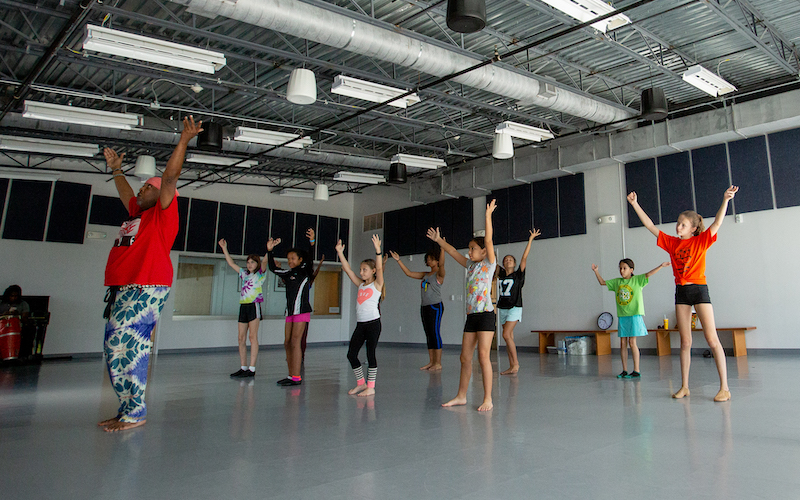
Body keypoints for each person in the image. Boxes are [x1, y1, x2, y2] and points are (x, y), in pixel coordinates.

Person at [98, 116, 202, 432]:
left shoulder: (162, 217)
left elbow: (169, 179)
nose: (141, 190)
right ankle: (127, 408)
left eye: (147, 188)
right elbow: (124, 192)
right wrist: (117, 169)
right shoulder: (137, 214)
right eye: (142, 186)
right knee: (115, 347)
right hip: (126, 287)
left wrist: (183, 141)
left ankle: (135, 412)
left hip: (146, 286)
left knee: (131, 348)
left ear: (160, 197)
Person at [627, 186, 739, 402]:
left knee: (711, 338)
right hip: (681, 292)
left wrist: (725, 200)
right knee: (685, 341)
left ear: (693, 228)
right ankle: (685, 386)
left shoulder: (701, 240)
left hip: (699, 290)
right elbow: (650, 225)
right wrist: (634, 204)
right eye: (678, 223)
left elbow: (717, 223)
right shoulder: (672, 243)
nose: (678, 226)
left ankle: (724, 387)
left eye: (683, 224)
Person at [431, 199, 497, 411]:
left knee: (483, 356)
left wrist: (487, 217)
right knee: (464, 357)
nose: (469, 252)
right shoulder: (469, 265)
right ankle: (461, 395)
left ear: (483, 252)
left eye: (473, 249)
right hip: (471, 316)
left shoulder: (489, 263)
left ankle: (488, 398)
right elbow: (451, 252)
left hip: (486, 315)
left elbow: (488, 240)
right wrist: (439, 241)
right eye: (469, 249)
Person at [592, 259, 669, 378]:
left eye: (624, 268)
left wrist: (661, 266)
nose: (622, 271)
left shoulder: (637, 280)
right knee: (622, 343)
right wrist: (596, 271)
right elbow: (602, 282)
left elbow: (648, 274)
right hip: (623, 316)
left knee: (632, 342)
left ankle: (636, 370)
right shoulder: (617, 282)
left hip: (634, 315)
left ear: (631, 270)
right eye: (620, 268)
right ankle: (624, 370)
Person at [266, 228, 316, 386]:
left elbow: (311, 257)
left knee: (295, 342)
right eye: (288, 259)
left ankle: (296, 377)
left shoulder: (306, 271)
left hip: (302, 312)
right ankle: (290, 375)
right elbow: (273, 268)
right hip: (290, 313)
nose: (290, 261)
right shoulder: (287, 273)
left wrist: (312, 242)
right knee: (287, 342)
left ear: (301, 260)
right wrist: (270, 251)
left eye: (293, 258)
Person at [337, 234, 384, 397]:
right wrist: (340, 253)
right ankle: (361, 383)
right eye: (361, 270)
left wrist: (378, 251)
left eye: (364, 270)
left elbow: (379, 268)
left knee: (370, 353)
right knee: (351, 354)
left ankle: (371, 387)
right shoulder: (360, 284)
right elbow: (348, 270)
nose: (361, 272)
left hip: (373, 324)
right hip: (361, 324)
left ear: (372, 271)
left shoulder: (377, 284)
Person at [389, 237, 445, 372]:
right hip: (424, 306)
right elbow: (408, 273)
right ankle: (432, 362)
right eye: (428, 259)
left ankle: (438, 362)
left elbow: (442, 265)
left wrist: (442, 248)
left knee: (435, 333)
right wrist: (398, 260)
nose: (428, 260)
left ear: (437, 260)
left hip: (435, 306)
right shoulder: (425, 275)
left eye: (431, 258)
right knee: (428, 333)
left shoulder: (439, 274)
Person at [218, 239, 269, 378]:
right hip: (243, 306)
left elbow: (265, 262)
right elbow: (231, 263)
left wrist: (269, 249)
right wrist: (224, 248)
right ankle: (243, 367)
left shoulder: (260, 274)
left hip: (254, 306)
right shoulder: (244, 274)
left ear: (257, 263)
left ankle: (252, 368)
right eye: (248, 262)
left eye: (252, 262)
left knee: (252, 337)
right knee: (241, 338)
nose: (250, 264)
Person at [497, 229, 540, 375]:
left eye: (510, 259)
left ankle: (516, 364)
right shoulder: (501, 273)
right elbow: (490, 260)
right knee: (509, 337)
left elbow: (524, 257)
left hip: (514, 307)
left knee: (506, 335)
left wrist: (530, 239)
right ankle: (511, 365)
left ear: (514, 263)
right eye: (505, 259)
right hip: (502, 307)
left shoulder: (518, 275)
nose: (507, 260)